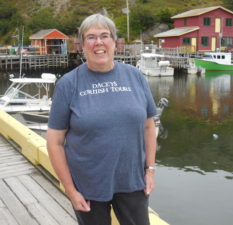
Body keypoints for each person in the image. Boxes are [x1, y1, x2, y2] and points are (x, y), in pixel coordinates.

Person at [46, 13, 157, 225]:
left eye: (105, 36)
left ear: (115, 43)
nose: (99, 42)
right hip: (88, 186)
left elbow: (148, 127)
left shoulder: (135, 76)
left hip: (133, 181)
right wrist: (70, 190)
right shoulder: (68, 84)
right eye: (91, 37)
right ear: (82, 45)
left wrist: (150, 170)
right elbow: (55, 142)